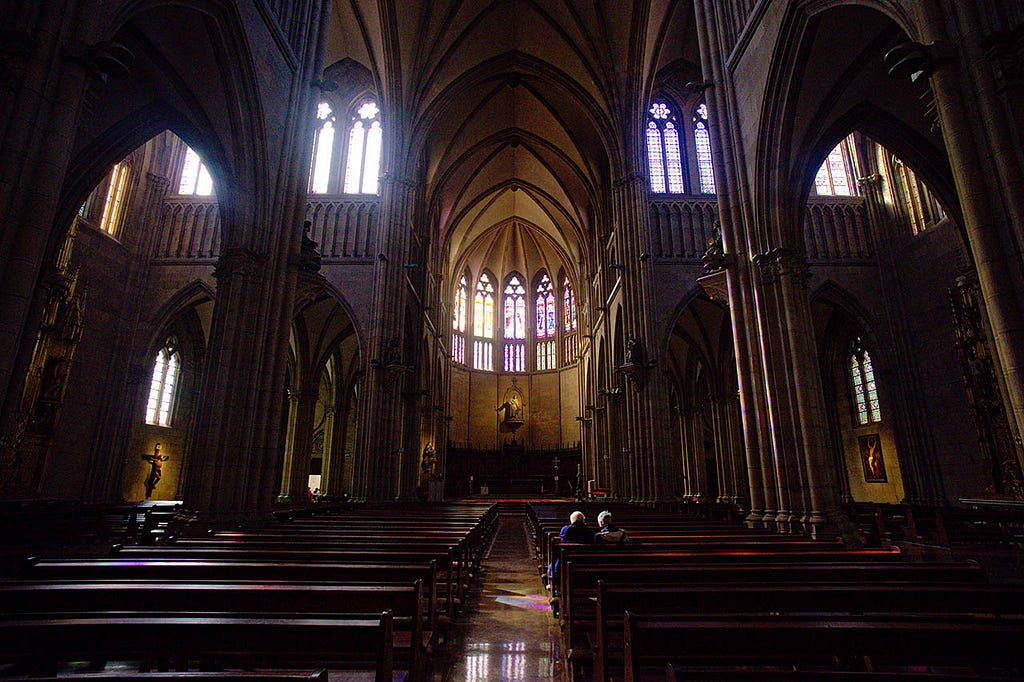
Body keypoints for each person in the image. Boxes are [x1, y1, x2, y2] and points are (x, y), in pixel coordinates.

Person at [547, 510, 593, 599]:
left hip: (567, 562)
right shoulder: (589, 532)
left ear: (572, 521)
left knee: (554, 564)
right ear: (583, 520)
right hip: (586, 562)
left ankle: (555, 584)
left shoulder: (566, 530)